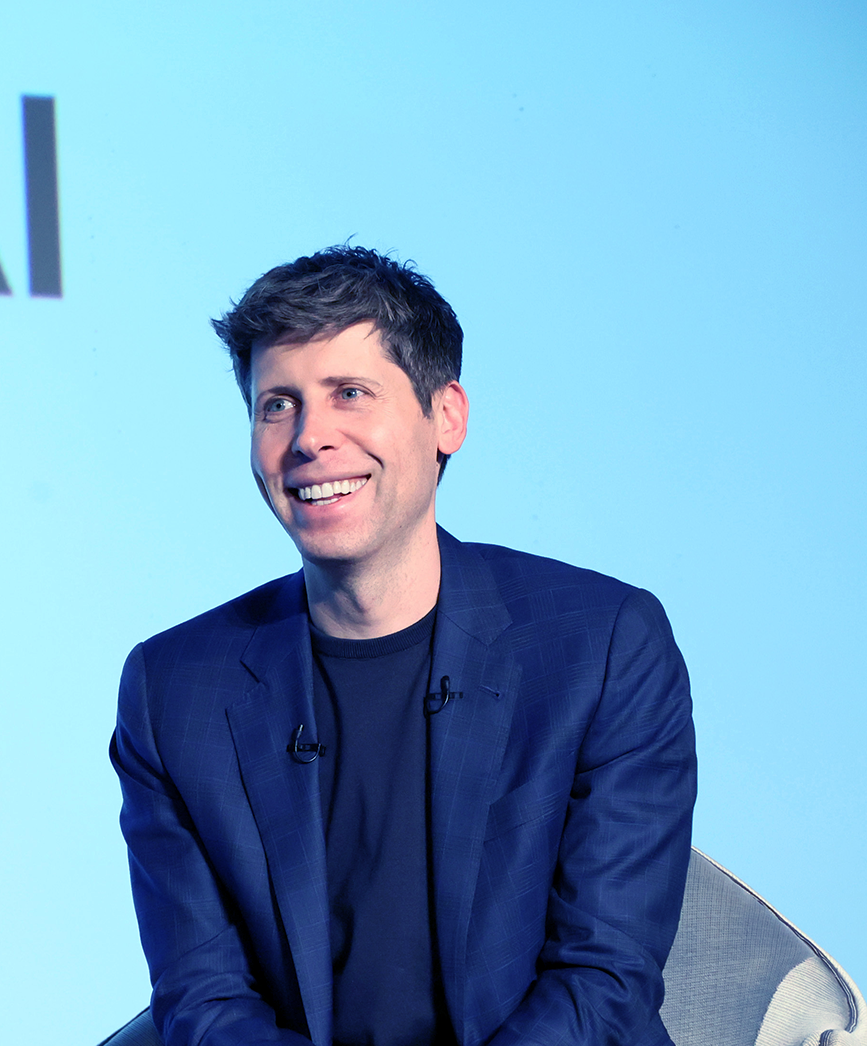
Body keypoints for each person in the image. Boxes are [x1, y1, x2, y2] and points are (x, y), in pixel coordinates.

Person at [110, 247, 696, 1046]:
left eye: (350, 393)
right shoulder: (174, 690)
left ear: (446, 416)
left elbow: (603, 980)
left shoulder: (603, 645)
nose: (310, 438)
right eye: (277, 405)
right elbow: (204, 1003)